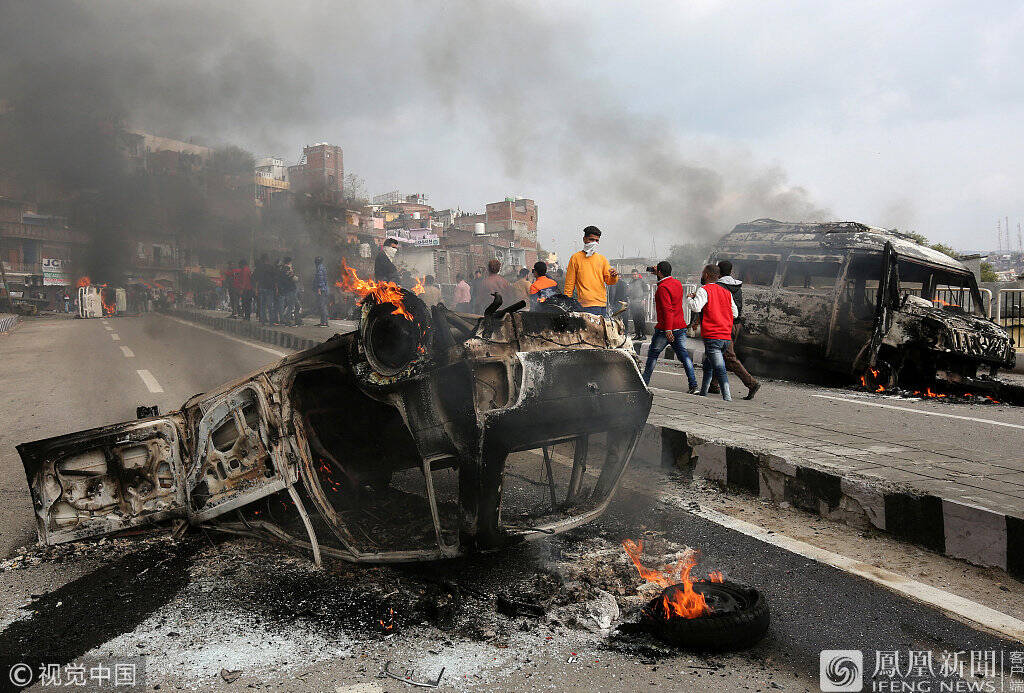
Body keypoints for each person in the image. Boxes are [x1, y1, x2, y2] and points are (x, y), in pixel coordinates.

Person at [641, 261, 698, 391]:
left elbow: (668, 309)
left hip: (665, 329)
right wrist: (659, 273)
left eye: (657, 271)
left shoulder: (662, 288)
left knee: (653, 355)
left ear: (660, 272)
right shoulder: (677, 283)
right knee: (684, 356)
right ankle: (693, 385)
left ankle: (644, 382)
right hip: (680, 326)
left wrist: (668, 329)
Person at [709, 260, 760, 400]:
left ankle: (751, 383)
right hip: (736, 324)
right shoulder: (737, 285)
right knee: (720, 354)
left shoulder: (719, 286)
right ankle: (714, 384)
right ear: (731, 271)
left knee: (729, 357)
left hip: (725, 325)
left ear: (718, 271)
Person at [687, 264, 739, 401]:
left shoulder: (704, 290)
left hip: (713, 335)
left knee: (719, 367)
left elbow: (696, 307)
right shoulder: (727, 292)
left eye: (703, 273)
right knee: (708, 363)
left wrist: (689, 298)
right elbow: (735, 313)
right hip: (725, 336)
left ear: (706, 275)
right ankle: (703, 392)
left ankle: (727, 397)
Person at [563, 225, 618, 316]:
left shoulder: (602, 259)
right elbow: (569, 284)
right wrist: (566, 303)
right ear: (584, 239)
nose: (594, 243)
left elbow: (610, 281)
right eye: (591, 240)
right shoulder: (575, 258)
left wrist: (614, 276)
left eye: (597, 241)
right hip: (585, 306)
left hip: (601, 305)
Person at [628, 270, 648, 340]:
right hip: (633, 303)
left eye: (635, 274)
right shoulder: (630, 282)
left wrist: (644, 299)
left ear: (638, 274)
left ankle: (643, 334)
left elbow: (646, 291)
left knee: (641, 319)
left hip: (639, 302)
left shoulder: (642, 282)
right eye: (633, 274)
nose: (634, 276)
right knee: (635, 319)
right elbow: (629, 292)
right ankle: (637, 334)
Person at [255, 253, 273, 325]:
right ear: (267, 259)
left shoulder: (259, 268)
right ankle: (271, 322)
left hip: (262, 288)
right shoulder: (271, 267)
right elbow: (275, 279)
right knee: (270, 305)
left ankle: (263, 321)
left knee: (263, 306)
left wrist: (256, 289)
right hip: (269, 289)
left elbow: (256, 280)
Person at [313, 256, 330, 327]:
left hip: (322, 290)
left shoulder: (319, 268)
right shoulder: (321, 267)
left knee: (322, 306)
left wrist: (319, 289)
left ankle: (324, 323)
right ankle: (323, 322)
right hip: (324, 289)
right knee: (323, 305)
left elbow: (320, 279)